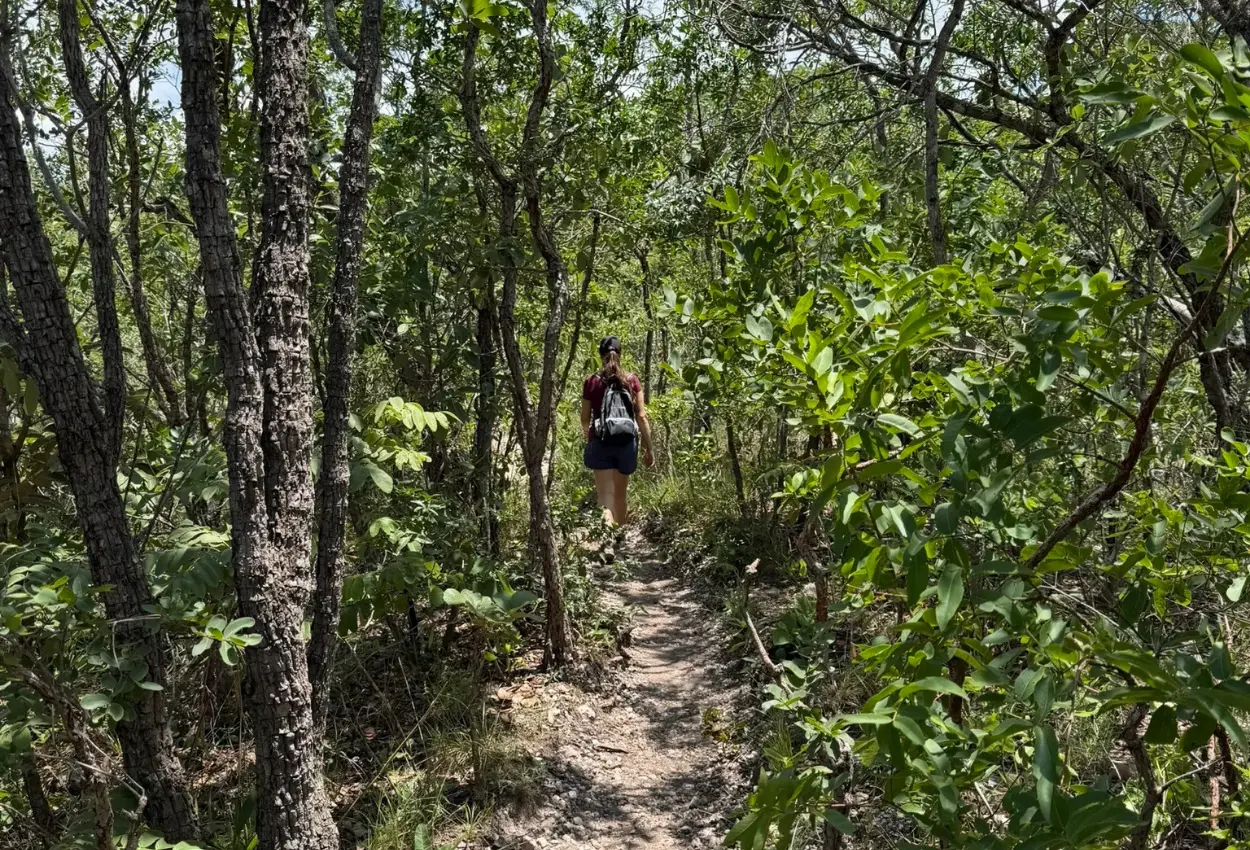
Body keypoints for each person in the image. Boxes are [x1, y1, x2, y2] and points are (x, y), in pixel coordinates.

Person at [581, 335, 654, 530]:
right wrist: (649, 448)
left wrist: (586, 436)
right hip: (626, 444)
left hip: (600, 441)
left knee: (605, 498)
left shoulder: (591, 382)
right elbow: (641, 416)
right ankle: (618, 540)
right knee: (620, 496)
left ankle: (606, 542)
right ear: (620, 354)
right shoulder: (631, 381)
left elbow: (584, 418)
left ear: (600, 355)